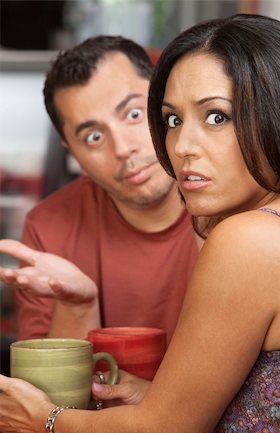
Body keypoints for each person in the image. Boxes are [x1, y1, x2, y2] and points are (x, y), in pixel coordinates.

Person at [0, 13, 280, 433]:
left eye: (217, 116)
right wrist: (162, 399)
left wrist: (46, 419)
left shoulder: (249, 238)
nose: (181, 147)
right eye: (173, 121)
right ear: (71, 152)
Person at [12, 35, 199, 344]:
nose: (123, 148)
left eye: (134, 114)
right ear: (71, 151)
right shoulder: (49, 227)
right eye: (94, 137)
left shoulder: (233, 202)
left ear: (165, 103)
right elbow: (46, 389)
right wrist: (76, 306)